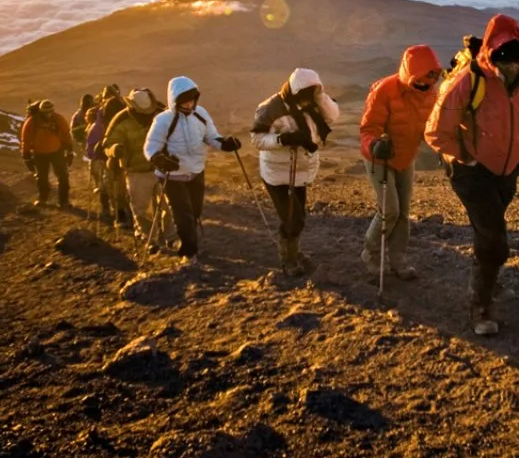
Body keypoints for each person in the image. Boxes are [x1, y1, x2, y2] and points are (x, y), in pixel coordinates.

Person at [426, 14, 519, 335]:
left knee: (489, 232)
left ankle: (488, 281)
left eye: (518, 54)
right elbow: (436, 131)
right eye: (505, 55)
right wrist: (466, 159)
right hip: (472, 172)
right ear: (491, 51)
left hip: (508, 170)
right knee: (495, 239)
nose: (512, 63)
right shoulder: (468, 81)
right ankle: (478, 306)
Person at [358, 45, 443, 281]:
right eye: (420, 80)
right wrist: (374, 145)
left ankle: (398, 260)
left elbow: (432, 128)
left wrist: (445, 149)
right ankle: (371, 252)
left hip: (406, 157)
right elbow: (369, 128)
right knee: (390, 210)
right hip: (379, 157)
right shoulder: (385, 90)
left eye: (430, 79)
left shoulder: (433, 94)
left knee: (403, 213)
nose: (425, 85)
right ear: (409, 75)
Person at [251, 68, 340, 276]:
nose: (308, 98)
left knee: (297, 216)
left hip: (301, 172)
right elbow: (256, 138)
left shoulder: (314, 103)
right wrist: (283, 139)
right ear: (295, 91)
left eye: (312, 92)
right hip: (277, 173)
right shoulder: (270, 108)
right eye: (306, 93)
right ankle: (288, 260)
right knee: (292, 218)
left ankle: (294, 251)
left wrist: (321, 96)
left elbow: (334, 115)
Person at [144, 76, 241, 257]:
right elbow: (150, 147)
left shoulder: (200, 114)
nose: (189, 105)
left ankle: (189, 242)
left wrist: (225, 144)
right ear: (175, 100)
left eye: (192, 100)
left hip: (196, 172)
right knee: (184, 214)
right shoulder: (163, 120)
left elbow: (211, 136)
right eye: (184, 101)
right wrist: (160, 160)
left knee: (195, 210)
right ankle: (188, 251)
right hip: (171, 176)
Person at [103, 88, 165, 243]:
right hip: (137, 171)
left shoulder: (161, 115)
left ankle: (172, 237)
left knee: (168, 206)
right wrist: (114, 149)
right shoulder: (122, 120)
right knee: (140, 208)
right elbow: (108, 143)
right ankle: (149, 238)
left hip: (163, 168)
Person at [19, 98, 75, 210]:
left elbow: (66, 135)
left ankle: (63, 201)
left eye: (51, 112)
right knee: (42, 177)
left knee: (63, 176)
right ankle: (42, 198)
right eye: (46, 112)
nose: (49, 114)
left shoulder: (58, 119)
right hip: (39, 154)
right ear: (41, 111)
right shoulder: (32, 122)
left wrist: (69, 151)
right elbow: (25, 139)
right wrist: (26, 156)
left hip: (57, 151)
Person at [86, 89, 128, 225]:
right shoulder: (122, 120)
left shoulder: (98, 124)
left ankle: (114, 211)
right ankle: (118, 213)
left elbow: (91, 147)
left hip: (109, 159)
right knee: (115, 186)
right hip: (112, 159)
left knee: (112, 185)